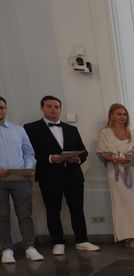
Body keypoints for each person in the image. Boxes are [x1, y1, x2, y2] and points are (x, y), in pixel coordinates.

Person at [24, 95, 99, 254]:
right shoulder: (31, 128)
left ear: (60, 109)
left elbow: (84, 151)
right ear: (42, 108)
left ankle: (82, 240)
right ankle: (57, 242)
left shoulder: (71, 129)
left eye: (56, 106)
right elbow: (29, 152)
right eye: (49, 106)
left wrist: (77, 158)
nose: (53, 109)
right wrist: (50, 158)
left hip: (73, 175)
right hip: (49, 176)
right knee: (52, 209)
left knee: (77, 208)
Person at [97, 103, 134, 250]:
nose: (122, 117)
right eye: (119, 114)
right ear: (111, 115)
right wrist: (116, 159)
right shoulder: (105, 133)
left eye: (124, 114)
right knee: (127, 204)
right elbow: (102, 153)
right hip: (117, 174)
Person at [0, 96, 42, 263]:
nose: (0, 110)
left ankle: (30, 247)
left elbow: (29, 153)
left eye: (2, 107)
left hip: (20, 178)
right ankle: (7, 249)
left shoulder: (18, 130)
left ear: (6, 108)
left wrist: (28, 168)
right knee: (2, 216)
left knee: (25, 215)